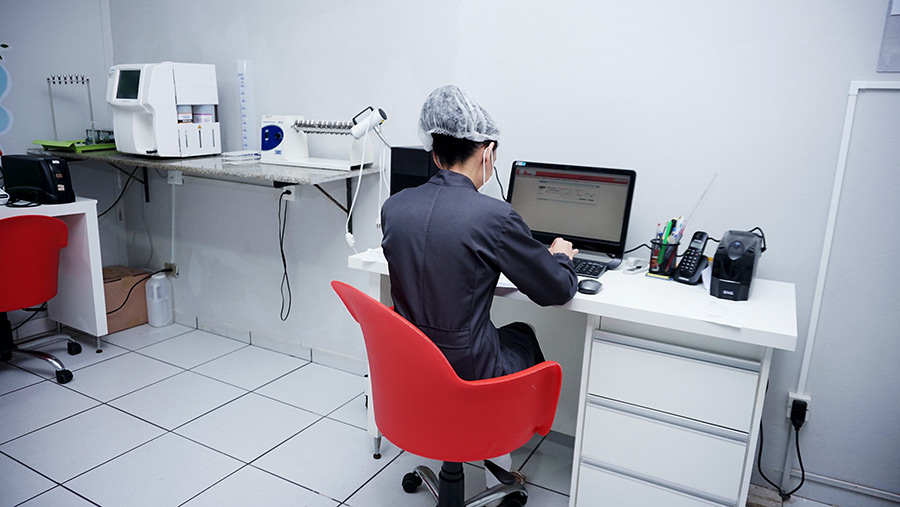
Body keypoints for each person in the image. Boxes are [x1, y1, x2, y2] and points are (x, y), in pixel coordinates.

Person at [380, 85, 578, 487]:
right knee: (522, 334)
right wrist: (560, 257)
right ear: (487, 152)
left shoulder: (394, 207)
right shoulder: (494, 216)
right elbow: (556, 290)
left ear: (435, 154)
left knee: (501, 334)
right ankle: (497, 454)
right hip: (469, 374)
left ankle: (481, 444)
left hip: (413, 370)